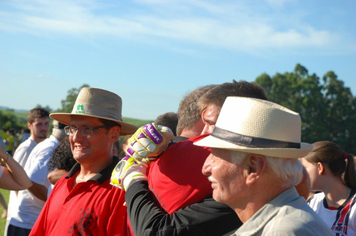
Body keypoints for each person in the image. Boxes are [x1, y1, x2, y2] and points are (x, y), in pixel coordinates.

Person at [112, 81, 272, 235]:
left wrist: (133, 179)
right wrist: (164, 149)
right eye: (205, 121)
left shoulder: (239, 189)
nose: (205, 132)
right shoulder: (181, 149)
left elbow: (156, 231)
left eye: (213, 123)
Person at [193, 96, 333, 235]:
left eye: (216, 156)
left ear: (254, 168)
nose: (205, 168)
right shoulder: (283, 224)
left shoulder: (282, 230)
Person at [30, 87, 137, 235]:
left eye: (87, 129)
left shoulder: (120, 192)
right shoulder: (63, 182)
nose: (76, 137)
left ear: (113, 134)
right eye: (73, 128)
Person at [6, 120, 67, 235]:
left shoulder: (50, 145)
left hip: (28, 221)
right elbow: (32, 181)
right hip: (29, 222)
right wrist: (54, 201)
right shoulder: (51, 148)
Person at [5, 108, 50, 236]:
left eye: (46, 123)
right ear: (29, 125)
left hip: (35, 215)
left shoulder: (44, 146)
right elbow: (16, 180)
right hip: (22, 217)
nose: (44, 128)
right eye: (39, 124)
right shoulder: (26, 148)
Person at [301, 141, 356, 235]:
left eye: (305, 168)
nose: (302, 174)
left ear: (319, 168)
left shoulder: (354, 208)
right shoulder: (312, 203)